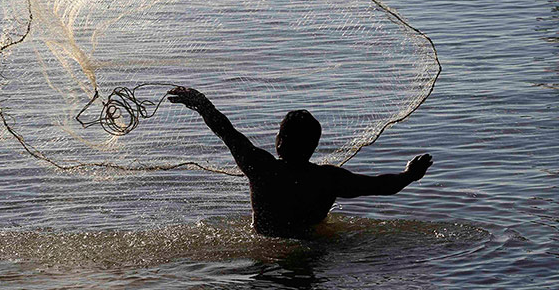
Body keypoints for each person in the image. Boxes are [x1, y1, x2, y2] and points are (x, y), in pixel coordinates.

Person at [168, 86, 433, 238]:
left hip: (267, 248)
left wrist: (202, 104)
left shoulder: (261, 167)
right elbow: (381, 186)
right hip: (314, 249)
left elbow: (226, 131)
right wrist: (410, 174)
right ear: (314, 146)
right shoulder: (328, 179)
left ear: (280, 141)